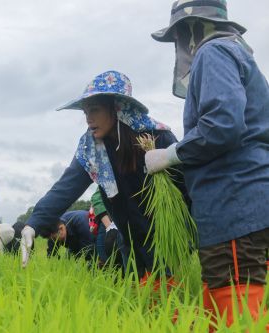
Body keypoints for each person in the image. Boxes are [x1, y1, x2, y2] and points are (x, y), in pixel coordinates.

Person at [147, 0, 269, 326]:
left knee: (239, 315)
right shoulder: (238, 54)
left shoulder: (213, 52)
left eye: (178, 35)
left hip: (233, 206)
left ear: (190, 29)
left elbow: (222, 125)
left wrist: (170, 154)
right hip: (251, 206)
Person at [21, 71, 185, 282]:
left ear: (116, 107)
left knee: (168, 295)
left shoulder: (156, 137)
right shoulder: (91, 149)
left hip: (163, 237)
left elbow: (185, 187)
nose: (89, 118)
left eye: (95, 110)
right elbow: (65, 188)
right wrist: (33, 223)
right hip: (129, 236)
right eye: (86, 112)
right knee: (139, 298)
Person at [90, 190, 126, 270]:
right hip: (109, 221)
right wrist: (110, 227)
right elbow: (96, 198)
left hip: (132, 220)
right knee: (108, 262)